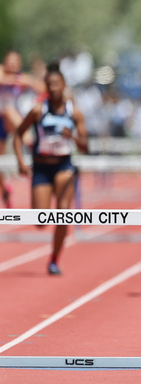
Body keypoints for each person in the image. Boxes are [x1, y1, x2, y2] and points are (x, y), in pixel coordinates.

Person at [13, 63, 88, 275]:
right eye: (50, 84)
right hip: (42, 167)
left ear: (64, 85)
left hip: (64, 165)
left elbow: (85, 146)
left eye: (57, 84)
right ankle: (52, 248)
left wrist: (71, 136)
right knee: (40, 220)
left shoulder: (74, 112)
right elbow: (19, 135)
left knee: (63, 214)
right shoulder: (38, 110)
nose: (54, 88)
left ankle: (54, 259)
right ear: (46, 87)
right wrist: (20, 161)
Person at [0, 50, 45, 207]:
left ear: (19, 64)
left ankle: (31, 144)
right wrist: (21, 80)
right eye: (10, 61)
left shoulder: (21, 77)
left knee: (9, 111)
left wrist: (31, 80)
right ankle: (4, 189)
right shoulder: (2, 71)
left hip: (11, 118)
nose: (12, 64)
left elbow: (42, 87)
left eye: (15, 62)